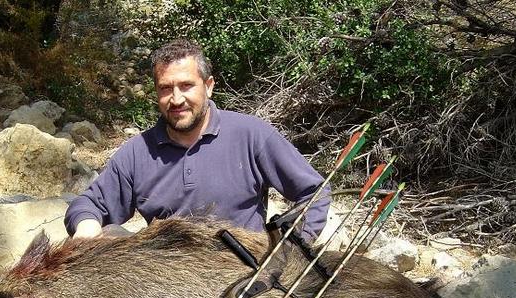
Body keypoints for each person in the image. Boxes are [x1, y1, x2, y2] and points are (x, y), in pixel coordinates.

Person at [64, 39, 330, 242]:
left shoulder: (251, 135)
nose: (176, 99)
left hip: (244, 278)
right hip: (168, 286)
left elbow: (314, 192)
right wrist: (87, 228)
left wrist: (291, 248)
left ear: (209, 85)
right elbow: (88, 205)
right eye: (166, 89)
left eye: (186, 86)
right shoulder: (137, 153)